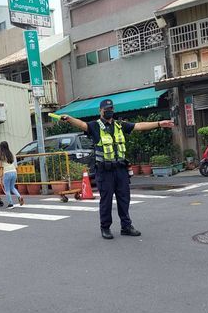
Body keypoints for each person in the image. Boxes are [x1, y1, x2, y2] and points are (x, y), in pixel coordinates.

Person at [61, 100, 175, 239]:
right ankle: (105, 228)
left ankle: (126, 226)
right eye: (106, 109)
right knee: (106, 200)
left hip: (120, 169)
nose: (109, 111)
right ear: (100, 111)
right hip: (104, 170)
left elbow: (138, 126)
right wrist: (69, 119)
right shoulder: (95, 126)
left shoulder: (119, 125)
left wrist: (158, 124)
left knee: (124, 199)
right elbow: (82, 124)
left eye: (111, 108)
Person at [0, 141, 24, 209]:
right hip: (14, 172)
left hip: (7, 173)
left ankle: (10, 203)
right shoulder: (12, 154)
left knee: (7, 189)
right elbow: (16, 165)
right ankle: (19, 197)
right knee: (12, 187)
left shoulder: (2, 155)